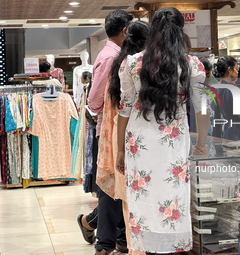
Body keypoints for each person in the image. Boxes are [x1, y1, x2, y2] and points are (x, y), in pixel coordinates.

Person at [116, 7, 210, 254]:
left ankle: (149, 248)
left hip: (139, 141)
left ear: (152, 29)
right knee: (172, 195)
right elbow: (202, 108)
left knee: (144, 197)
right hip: (173, 143)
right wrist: (201, 142)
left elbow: (124, 111)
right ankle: (171, 248)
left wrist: (119, 151)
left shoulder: (132, 63)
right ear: (181, 30)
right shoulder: (190, 65)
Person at [77, 10, 133, 255]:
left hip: (118, 128)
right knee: (111, 185)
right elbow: (96, 97)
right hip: (110, 130)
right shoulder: (111, 57)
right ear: (124, 31)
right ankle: (105, 242)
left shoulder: (117, 54)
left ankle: (100, 229)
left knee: (117, 185)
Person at [99, 20, 150, 255]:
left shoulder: (120, 66)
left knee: (129, 199)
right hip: (140, 137)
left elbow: (114, 110)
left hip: (120, 136)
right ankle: (130, 245)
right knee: (142, 199)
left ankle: (127, 244)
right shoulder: (143, 66)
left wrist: (115, 145)